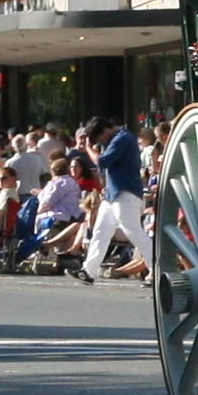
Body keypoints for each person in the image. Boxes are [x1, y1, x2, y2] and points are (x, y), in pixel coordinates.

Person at [83, 109, 150, 282]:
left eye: (99, 137)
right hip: (113, 193)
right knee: (101, 231)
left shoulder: (123, 138)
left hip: (126, 192)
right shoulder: (114, 139)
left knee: (133, 231)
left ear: (105, 129)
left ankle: (157, 267)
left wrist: (89, 149)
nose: (100, 141)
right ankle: (89, 270)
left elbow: (103, 161)